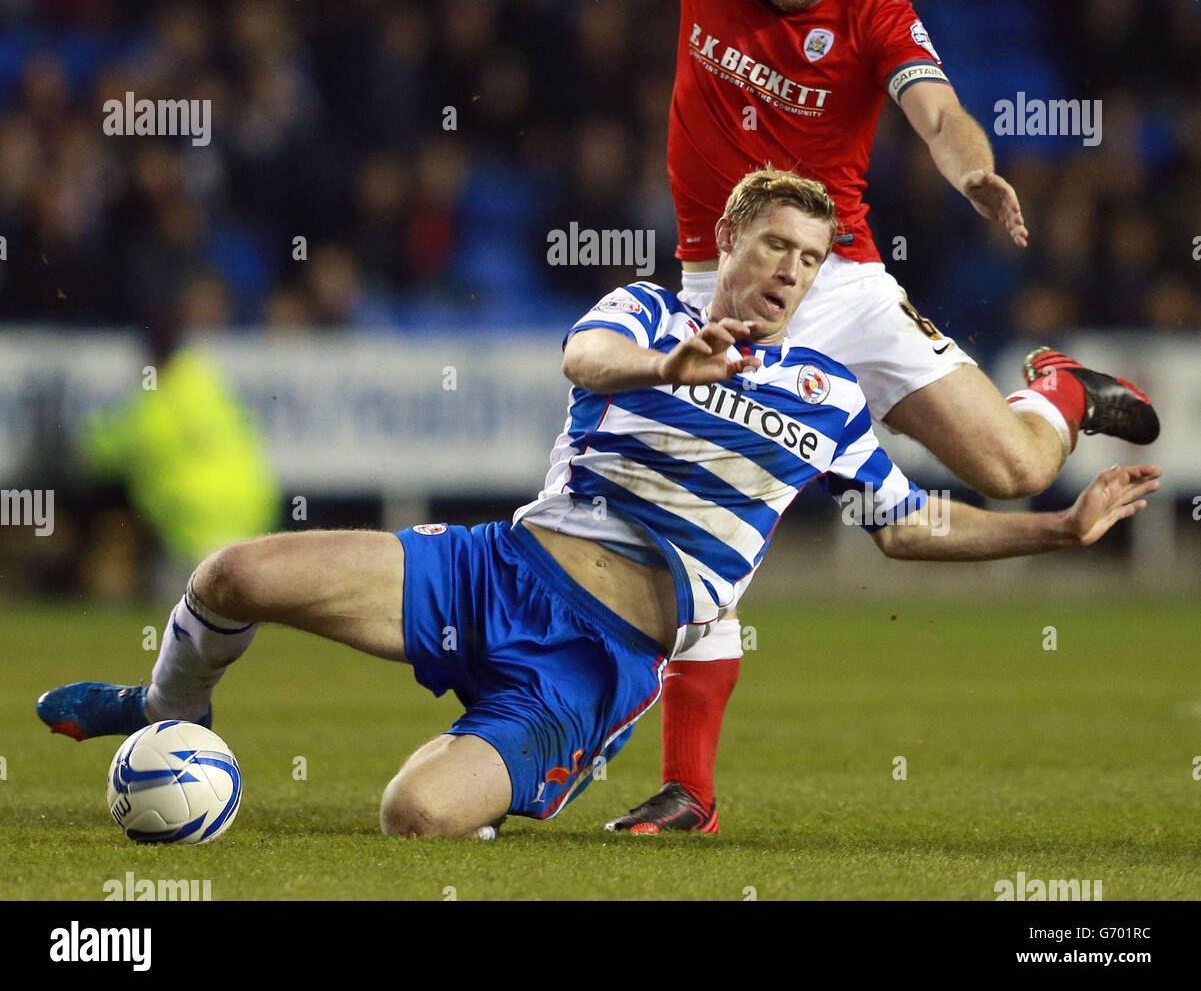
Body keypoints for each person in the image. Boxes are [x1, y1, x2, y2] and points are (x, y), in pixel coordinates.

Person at [489, 0, 1161, 833]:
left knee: (1014, 468)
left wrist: (975, 177)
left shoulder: (872, 12)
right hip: (716, 287)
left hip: (839, 279)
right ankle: (687, 792)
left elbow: (936, 109)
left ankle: (1055, 385)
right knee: (690, 516)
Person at [38, 171, 1161, 838]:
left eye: (810, 259)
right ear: (729, 240)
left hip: (597, 658)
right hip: (497, 568)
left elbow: (908, 525)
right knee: (230, 573)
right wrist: (669, 369)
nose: (787, 269)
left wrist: (1055, 529)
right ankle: (165, 708)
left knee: (412, 819)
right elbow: (583, 358)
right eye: (772, 243)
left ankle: (551, 758)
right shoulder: (648, 311)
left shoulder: (827, 398)